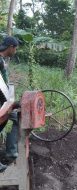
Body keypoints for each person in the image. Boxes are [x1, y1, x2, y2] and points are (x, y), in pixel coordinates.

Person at [0, 36, 19, 172]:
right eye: (16, 48)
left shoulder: (2, 60)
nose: (16, 51)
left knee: (14, 117)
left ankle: (12, 154)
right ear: (11, 47)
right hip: (1, 101)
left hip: (3, 101)